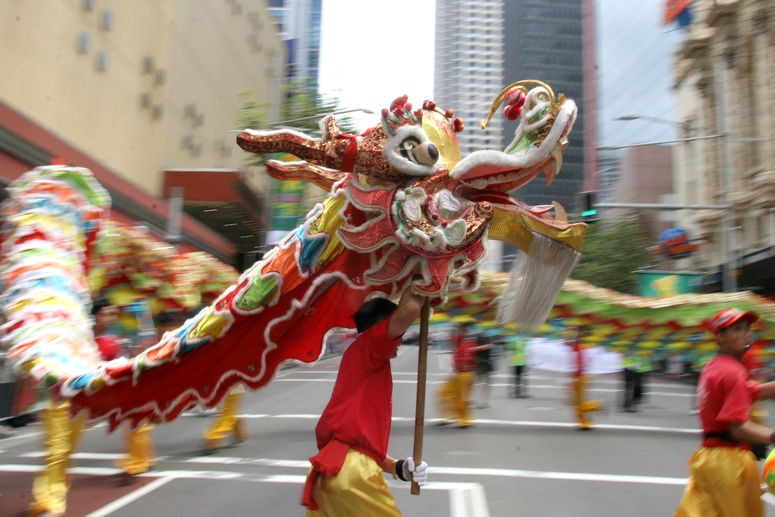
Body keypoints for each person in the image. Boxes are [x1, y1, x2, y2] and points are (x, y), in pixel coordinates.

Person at [302, 287, 429, 515]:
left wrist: (400, 468)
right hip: (351, 476)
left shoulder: (359, 356)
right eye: (397, 329)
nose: (400, 339)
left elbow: (360, 446)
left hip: (326, 476)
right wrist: (427, 274)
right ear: (381, 327)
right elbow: (410, 308)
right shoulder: (372, 345)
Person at [674, 307, 775, 517]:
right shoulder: (732, 372)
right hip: (729, 461)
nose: (746, 333)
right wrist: (771, 436)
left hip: (710, 459)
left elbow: (755, 390)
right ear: (720, 337)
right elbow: (737, 428)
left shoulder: (715, 366)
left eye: (747, 329)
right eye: (737, 329)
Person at [92, 297, 156, 483]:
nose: (112, 318)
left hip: (117, 385)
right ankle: (141, 459)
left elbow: (123, 360)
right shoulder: (87, 337)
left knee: (137, 417)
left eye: (114, 314)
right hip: (92, 388)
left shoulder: (113, 338)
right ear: (96, 315)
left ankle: (140, 460)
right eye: (108, 314)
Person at [437, 321, 485, 427]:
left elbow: (466, 360)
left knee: (460, 398)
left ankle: (464, 419)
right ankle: (449, 417)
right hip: (458, 374)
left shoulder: (468, 343)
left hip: (465, 374)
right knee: (443, 393)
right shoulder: (459, 342)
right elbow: (453, 339)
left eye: (460, 329)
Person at [567, 326, 605, 431]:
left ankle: (596, 405)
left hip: (580, 376)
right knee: (576, 402)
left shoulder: (579, 348)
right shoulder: (581, 347)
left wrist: (573, 378)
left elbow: (579, 364)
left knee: (578, 402)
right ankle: (584, 422)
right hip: (582, 376)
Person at [473, 331, 494, 408]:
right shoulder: (478, 336)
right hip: (480, 362)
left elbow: (490, 345)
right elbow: (472, 348)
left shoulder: (488, 337)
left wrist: (480, 348)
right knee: (480, 383)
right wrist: (480, 348)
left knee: (485, 383)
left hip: (485, 362)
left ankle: (484, 401)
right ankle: (480, 401)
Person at [507, 334, 529, 398]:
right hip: (518, 361)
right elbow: (510, 347)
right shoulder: (516, 340)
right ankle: (518, 392)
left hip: (521, 360)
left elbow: (510, 347)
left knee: (519, 377)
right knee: (519, 377)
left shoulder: (522, 340)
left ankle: (519, 392)